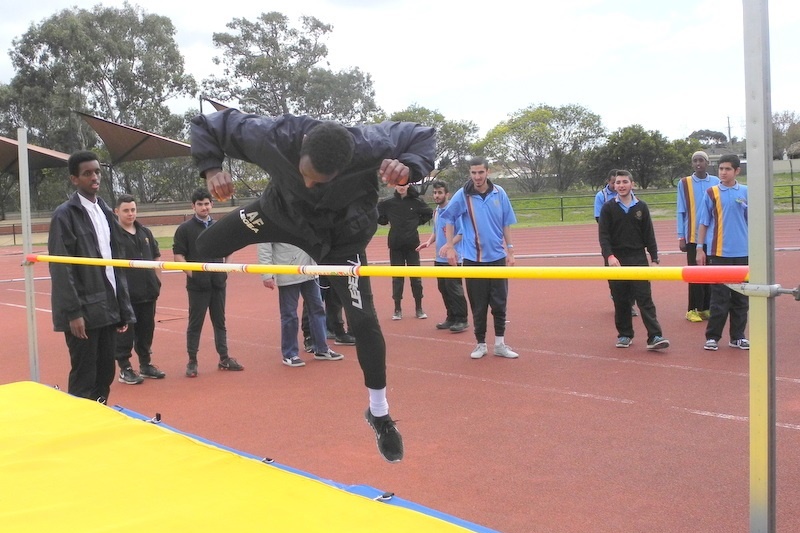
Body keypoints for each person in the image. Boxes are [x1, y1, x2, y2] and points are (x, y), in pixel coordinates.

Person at [190, 109, 436, 463]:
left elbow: (423, 134)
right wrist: (212, 169)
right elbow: (207, 123)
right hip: (280, 216)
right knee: (205, 247)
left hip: (341, 241)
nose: (310, 184)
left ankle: (379, 414)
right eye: (306, 174)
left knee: (364, 322)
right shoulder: (272, 136)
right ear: (301, 145)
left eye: (320, 181)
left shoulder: (370, 143)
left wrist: (410, 165)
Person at [47, 150, 135, 403]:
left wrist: (121, 309)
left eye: (97, 171)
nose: (94, 177)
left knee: (105, 373)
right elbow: (61, 268)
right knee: (84, 376)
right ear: (74, 179)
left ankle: (100, 419)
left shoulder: (106, 211)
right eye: (87, 173)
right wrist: (73, 313)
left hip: (107, 308)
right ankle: (79, 429)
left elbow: (115, 265)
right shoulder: (64, 215)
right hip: (83, 311)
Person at [439, 157, 519, 359]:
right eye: (473, 173)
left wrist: (510, 250)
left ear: (487, 172)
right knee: (478, 304)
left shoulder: (499, 193)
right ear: (470, 173)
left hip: (497, 258)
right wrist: (449, 246)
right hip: (473, 260)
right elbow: (448, 217)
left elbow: (506, 223)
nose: (477, 177)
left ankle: (500, 344)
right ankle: (480, 344)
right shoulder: (463, 195)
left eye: (480, 172)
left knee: (499, 303)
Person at [172, 188, 244, 377]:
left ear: (212, 204)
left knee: (220, 322)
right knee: (195, 324)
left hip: (218, 284)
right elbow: (178, 254)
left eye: (207, 203)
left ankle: (224, 358)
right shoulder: (184, 229)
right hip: (197, 286)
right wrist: (192, 274)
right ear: (193, 206)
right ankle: (192, 361)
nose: (204, 207)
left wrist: (226, 269)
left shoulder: (219, 226)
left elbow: (230, 248)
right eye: (200, 204)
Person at [598, 170, 670, 351]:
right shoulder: (608, 208)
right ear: (613, 186)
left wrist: (654, 259)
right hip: (616, 260)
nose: (621, 185)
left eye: (624, 182)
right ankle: (624, 335)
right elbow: (604, 236)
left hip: (638, 258)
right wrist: (610, 257)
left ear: (632, 184)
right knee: (621, 299)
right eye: (618, 182)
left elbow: (649, 235)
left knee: (644, 299)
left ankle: (655, 336)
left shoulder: (641, 207)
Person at [258, 242, 344, 367]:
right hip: (287, 270)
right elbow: (264, 247)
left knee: (317, 309)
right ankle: (290, 354)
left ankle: (321, 348)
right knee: (289, 314)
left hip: (310, 269)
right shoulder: (273, 222)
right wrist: (266, 274)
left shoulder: (306, 220)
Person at [695, 154, 749, 351]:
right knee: (719, 298)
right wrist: (700, 248)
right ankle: (713, 337)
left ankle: (737, 337)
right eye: (721, 169)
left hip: (743, 253)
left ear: (737, 171)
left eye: (727, 169)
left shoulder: (745, 191)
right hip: (719, 253)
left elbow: (753, 220)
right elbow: (703, 222)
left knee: (741, 298)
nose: (723, 172)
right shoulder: (711, 193)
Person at [113, 194, 165, 384]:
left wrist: (157, 283)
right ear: (116, 211)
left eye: (133, 209)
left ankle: (145, 364)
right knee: (125, 333)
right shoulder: (113, 236)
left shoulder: (145, 232)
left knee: (146, 330)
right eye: (126, 210)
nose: (130, 214)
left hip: (148, 292)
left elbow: (156, 258)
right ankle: (125, 368)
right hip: (125, 296)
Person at [416, 180, 468, 332]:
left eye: (440, 193)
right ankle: (451, 317)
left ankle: (461, 319)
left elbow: (462, 233)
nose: (436, 196)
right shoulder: (437, 211)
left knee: (454, 289)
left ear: (447, 194)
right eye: (435, 193)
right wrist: (428, 242)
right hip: (439, 258)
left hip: (452, 258)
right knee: (443, 288)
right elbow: (435, 231)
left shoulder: (454, 210)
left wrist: (449, 244)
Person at [377, 182, 433, 320]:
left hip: (412, 244)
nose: (401, 187)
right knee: (397, 278)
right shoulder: (387, 202)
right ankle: (397, 309)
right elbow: (378, 215)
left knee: (416, 278)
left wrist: (417, 222)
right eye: (398, 184)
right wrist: (386, 221)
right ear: (394, 186)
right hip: (395, 245)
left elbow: (429, 213)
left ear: (408, 185)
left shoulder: (416, 201)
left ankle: (419, 308)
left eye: (404, 184)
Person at [677, 151, 720, 323]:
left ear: (707, 162)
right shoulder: (684, 183)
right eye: (695, 161)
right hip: (693, 237)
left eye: (701, 160)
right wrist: (681, 236)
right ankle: (692, 309)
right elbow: (680, 210)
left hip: (711, 237)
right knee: (695, 273)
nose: (698, 163)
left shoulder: (716, 182)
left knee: (709, 274)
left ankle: (705, 308)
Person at [596, 169, 638, 317]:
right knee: (615, 277)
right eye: (614, 182)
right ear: (609, 182)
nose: (617, 185)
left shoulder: (629, 195)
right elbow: (599, 219)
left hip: (628, 243)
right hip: (611, 242)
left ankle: (630, 303)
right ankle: (618, 300)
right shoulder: (602, 196)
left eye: (620, 182)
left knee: (631, 276)